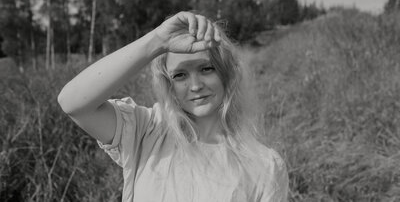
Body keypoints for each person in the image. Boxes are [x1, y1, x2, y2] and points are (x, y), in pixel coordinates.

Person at [58, 11, 289, 201]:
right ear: (168, 84)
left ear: (226, 74)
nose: (195, 85)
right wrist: (157, 42)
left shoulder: (264, 166)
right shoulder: (146, 131)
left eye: (206, 69)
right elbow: (73, 103)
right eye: (180, 75)